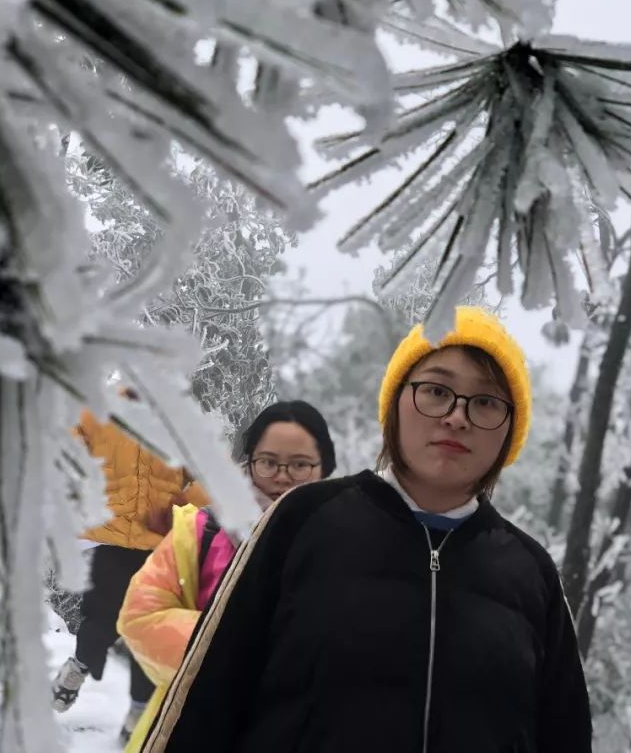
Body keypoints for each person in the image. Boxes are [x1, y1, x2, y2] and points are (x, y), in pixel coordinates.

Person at [139, 306, 593, 753]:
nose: (457, 416)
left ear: (510, 431)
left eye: (487, 401)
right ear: (396, 401)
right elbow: (206, 697)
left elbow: (564, 734)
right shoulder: (305, 519)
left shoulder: (531, 572)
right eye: (437, 390)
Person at [116, 401, 337, 750]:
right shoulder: (200, 531)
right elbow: (140, 616)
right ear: (248, 463)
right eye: (268, 462)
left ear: (325, 469)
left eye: (300, 465)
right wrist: (238, 648)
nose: (281, 476)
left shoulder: (347, 543)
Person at [50, 390, 211, 741]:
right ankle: (79, 665)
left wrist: (183, 504)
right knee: (103, 619)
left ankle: (139, 710)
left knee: (151, 628)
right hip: (110, 538)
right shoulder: (97, 411)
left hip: (160, 543)